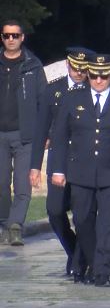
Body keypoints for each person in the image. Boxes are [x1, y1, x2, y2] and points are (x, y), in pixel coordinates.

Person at [49, 53, 110, 287]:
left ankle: (102, 272)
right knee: (82, 220)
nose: (99, 80)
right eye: (94, 76)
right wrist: (58, 170)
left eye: (104, 75)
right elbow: (60, 137)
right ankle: (91, 261)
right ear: (88, 75)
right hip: (80, 172)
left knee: (107, 224)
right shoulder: (72, 99)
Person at [29, 47, 92, 276]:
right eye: (75, 68)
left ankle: (78, 260)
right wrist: (35, 166)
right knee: (55, 211)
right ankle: (74, 248)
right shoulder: (54, 90)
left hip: (84, 161)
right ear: (68, 64)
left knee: (82, 215)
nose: (79, 73)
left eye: (83, 69)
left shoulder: (91, 89)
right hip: (59, 161)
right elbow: (40, 130)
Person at [0, 19, 46, 246]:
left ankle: (16, 225)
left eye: (15, 35)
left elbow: (43, 101)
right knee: (0, 182)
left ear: (22, 37)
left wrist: (45, 132)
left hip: (25, 134)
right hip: (0, 134)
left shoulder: (33, 65)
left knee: (22, 183)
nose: (11, 39)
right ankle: (4, 223)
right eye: (7, 35)